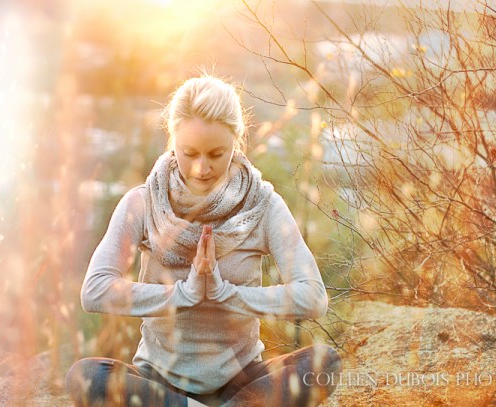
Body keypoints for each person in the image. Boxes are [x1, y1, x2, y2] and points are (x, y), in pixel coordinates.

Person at [65, 75, 341, 407]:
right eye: (189, 152)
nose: (200, 168)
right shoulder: (142, 203)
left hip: (241, 382)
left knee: (324, 364)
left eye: (215, 153)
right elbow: (94, 290)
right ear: (172, 141)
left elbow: (313, 297)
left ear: (236, 142)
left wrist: (228, 294)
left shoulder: (263, 205)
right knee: (85, 377)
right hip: (159, 383)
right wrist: (184, 295)